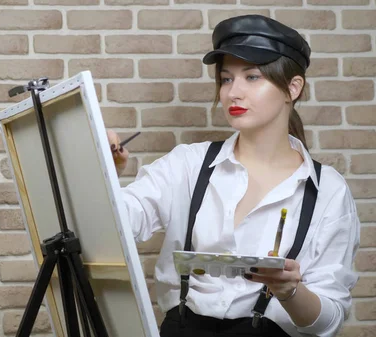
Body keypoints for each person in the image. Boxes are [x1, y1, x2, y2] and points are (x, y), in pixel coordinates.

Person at [107, 15, 360, 337]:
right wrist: (106, 174)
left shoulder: (328, 191)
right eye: (226, 79)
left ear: (292, 88)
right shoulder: (188, 163)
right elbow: (117, 225)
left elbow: (328, 322)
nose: (233, 93)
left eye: (252, 77)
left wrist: (290, 292)